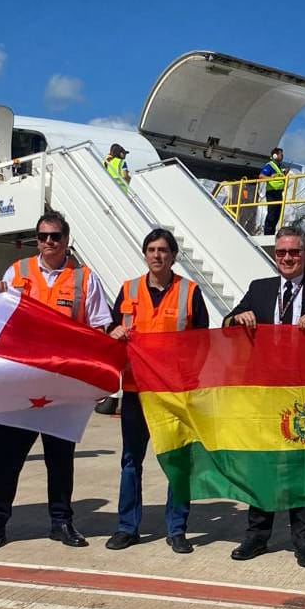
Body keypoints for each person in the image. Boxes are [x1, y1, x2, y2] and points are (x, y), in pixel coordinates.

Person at [224, 224, 305, 568]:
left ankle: (304, 542)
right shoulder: (260, 289)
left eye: (294, 252)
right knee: (263, 467)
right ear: (275, 255)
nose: (287, 258)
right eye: (282, 252)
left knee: (303, 471)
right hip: (265, 393)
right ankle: (256, 537)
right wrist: (239, 317)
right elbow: (226, 324)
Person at [0, 210, 112, 551]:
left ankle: (61, 521)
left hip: (62, 386)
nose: (48, 242)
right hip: (20, 384)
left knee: (60, 459)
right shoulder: (16, 272)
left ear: (66, 240)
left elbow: (98, 329)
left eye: (54, 236)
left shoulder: (85, 279)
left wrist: (93, 382)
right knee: (6, 458)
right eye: (42, 236)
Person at [105, 228, 210, 554]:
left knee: (178, 462)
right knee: (131, 461)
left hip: (173, 393)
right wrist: (115, 330)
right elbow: (110, 328)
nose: (157, 255)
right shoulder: (128, 290)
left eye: (163, 250)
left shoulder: (189, 292)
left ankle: (176, 529)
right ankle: (127, 527)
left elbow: (203, 343)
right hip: (137, 390)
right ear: (145, 253)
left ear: (173, 255)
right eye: (151, 249)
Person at [260, 147, 287, 235]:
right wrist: (270, 177)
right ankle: (267, 233)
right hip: (272, 192)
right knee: (272, 214)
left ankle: (271, 233)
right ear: (275, 155)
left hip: (278, 192)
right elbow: (261, 176)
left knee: (277, 214)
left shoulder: (278, 167)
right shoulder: (270, 165)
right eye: (280, 154)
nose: (282, 156)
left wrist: (284, 173)